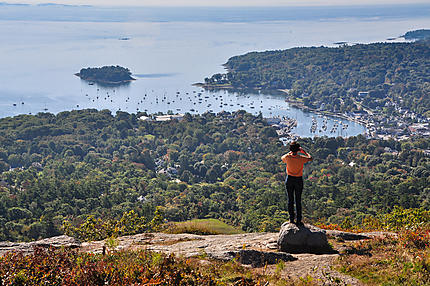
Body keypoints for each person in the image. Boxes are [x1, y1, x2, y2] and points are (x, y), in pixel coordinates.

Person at [281, 141, 313, 226]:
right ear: (298, 150)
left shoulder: (287, 157)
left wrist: (290, 152)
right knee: (298, 200)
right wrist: (304, 152)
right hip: (298, 180)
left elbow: (282, 158)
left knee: (290, 200)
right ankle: (299, 220)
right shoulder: (301, 158)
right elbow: (310, 158)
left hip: (290, 179)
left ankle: (291, 219)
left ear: (290, 150)